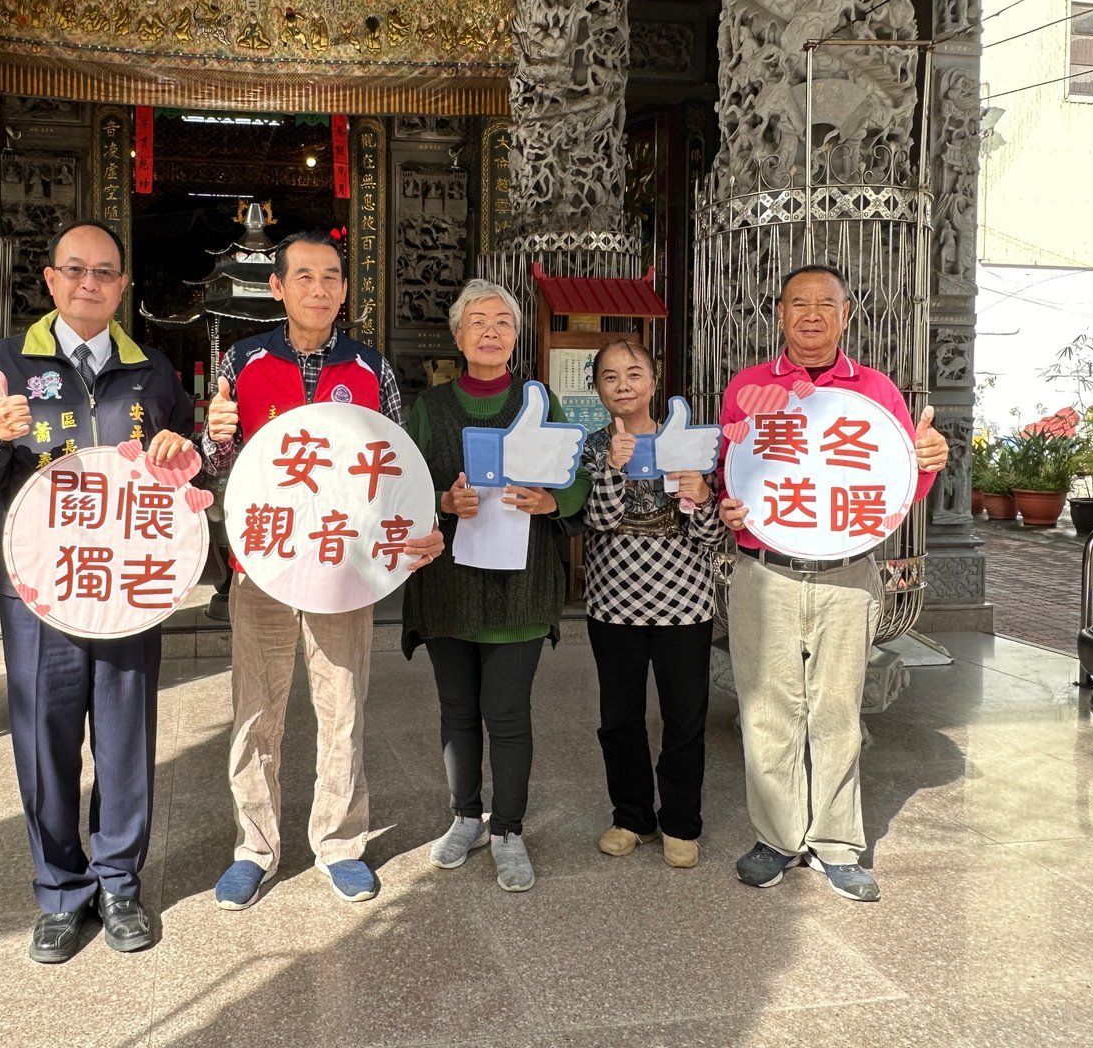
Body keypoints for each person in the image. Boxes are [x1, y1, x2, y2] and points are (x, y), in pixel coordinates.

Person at [0, 220, 192, 961]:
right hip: (40, 589)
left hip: (126, 586)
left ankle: (119, 883)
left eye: (105, 272)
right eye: (75, 270)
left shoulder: (152, 371)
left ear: (122, 285)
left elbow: (186, 476)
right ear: (51, 280)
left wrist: (179, 453)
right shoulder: (6, 364)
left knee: (125, 738)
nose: (91, 283)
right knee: (44, 740)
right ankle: (60, 890)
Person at [201, 229, 443, 910]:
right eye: (303, 276)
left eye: (331, 276)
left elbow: (395, 468)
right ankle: (254, 848)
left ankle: (339, 843)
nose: (319, 288)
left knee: (343, 707)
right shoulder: (242, 361)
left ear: (344, 289)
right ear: (278, 287)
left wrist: (414, 530)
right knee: (256, 710)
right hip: (265, 560)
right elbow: (220, 465)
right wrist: (214, 434)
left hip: (344, 561)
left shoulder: (370, 369)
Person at [718, 264, 946, 902]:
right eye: (799, 303)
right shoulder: (748, 389)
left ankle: (837, 844)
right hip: (764, 571)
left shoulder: (874, 391)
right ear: (780, 314)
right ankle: (776, 837)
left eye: (826, 303)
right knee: (766, 709)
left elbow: (896, 487)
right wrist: (726, 504)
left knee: (838, 710)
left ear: (847, 315)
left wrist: (927, 462)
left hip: (848, 574)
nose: (812, 314)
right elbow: (726, 474)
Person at [401, 279, 588, 893]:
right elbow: (399, 485)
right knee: (457, 710)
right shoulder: (429, 407)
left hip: (521, 584)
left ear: (515, 337)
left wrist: (550, 500)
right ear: (458, 337)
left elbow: (577, 478)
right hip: (447, 583)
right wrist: (442, 501)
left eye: (502, 322)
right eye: (477, 321)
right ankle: (465, 818)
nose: (490, 331)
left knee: (506, 713)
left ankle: (507, 828)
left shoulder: (540, 401)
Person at [577, 340, 724, 870]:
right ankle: (632, 817)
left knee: (684, 718)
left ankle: (681, 823)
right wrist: (613, 469)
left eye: (634, 373)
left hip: (684, 603)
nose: (623, 385)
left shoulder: (687, 442)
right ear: (597, 388)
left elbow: (712, 538)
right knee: (619, 718)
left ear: (654, 381)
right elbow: (596, 522)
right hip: (613, 603)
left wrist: (703, 497)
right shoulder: (589, 448)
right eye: (610, 376)